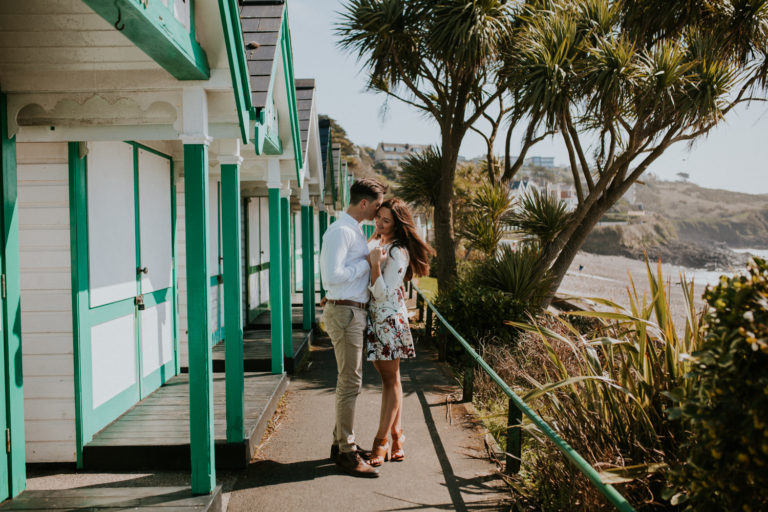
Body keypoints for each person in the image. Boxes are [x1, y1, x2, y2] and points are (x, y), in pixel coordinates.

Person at [319, 177, 385, 478]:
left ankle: (340, 444)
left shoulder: (355, 230)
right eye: (376, 205)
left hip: (351, 311)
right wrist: (367, 263)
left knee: (350, 381)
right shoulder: (341, 231)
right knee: (350, 382)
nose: (378, 211)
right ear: (363, 203)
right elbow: (331, 278)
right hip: (345, 312)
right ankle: (346, 451)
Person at [365, 198, 434, 466]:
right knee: (389, 380)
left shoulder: (397, 252)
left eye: (386, 220)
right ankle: (397, 435)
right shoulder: (382, 244)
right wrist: (373, 246)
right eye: (378, 218)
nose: (380, 224)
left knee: (390, 381)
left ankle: (381, 441)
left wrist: (373, 265)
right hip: (377, 320)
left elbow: (382, 292)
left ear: (398, 224)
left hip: (388, 321)